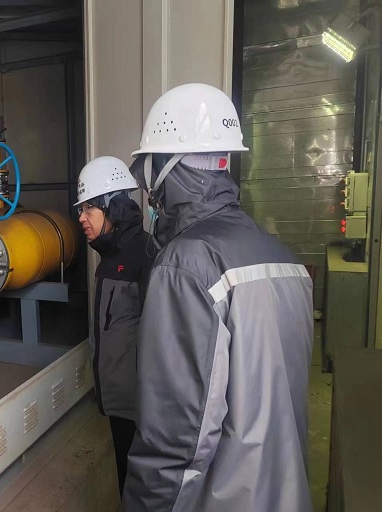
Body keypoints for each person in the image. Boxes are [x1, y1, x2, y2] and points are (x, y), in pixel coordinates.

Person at [122, 83, 314, 511]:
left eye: (148, 169)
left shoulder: (186, 264)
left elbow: (177, 439)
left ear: (165, 168)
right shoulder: (286, 259)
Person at [75, 156, 156, 496]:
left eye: (89, 208)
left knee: (144, 479)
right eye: (81, 209)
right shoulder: (109, 257)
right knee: (126, 473)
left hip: (142, 405)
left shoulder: (147, 255)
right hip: (119, 400)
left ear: (116, 208)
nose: (81, 217)